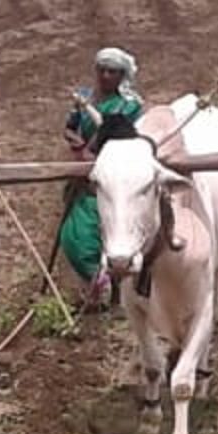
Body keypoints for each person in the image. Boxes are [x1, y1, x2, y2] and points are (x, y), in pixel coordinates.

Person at [57, 47, 147, 307]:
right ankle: (99, 282)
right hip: (85, 174)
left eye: (113, 72)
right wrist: (76, 143)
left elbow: (113, 130)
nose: (106, 76)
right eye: (102, 70)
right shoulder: (84, 97)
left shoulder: (130, 104)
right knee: (75, 236)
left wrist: (91, 150)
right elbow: (70, 127)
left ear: (122, 75)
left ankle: (119, 290)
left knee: (115, 228)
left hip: (115, 172)